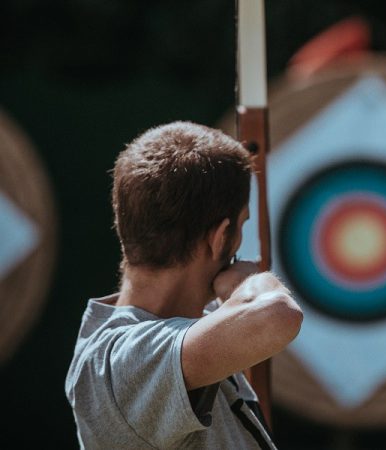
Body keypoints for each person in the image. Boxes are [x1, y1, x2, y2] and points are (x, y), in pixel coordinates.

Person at [65, 121, 303, 449]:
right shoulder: (123, 361)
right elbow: (276, 315)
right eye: (242, 224)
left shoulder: (189, 329)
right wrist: (247, 283)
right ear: (220, 238)